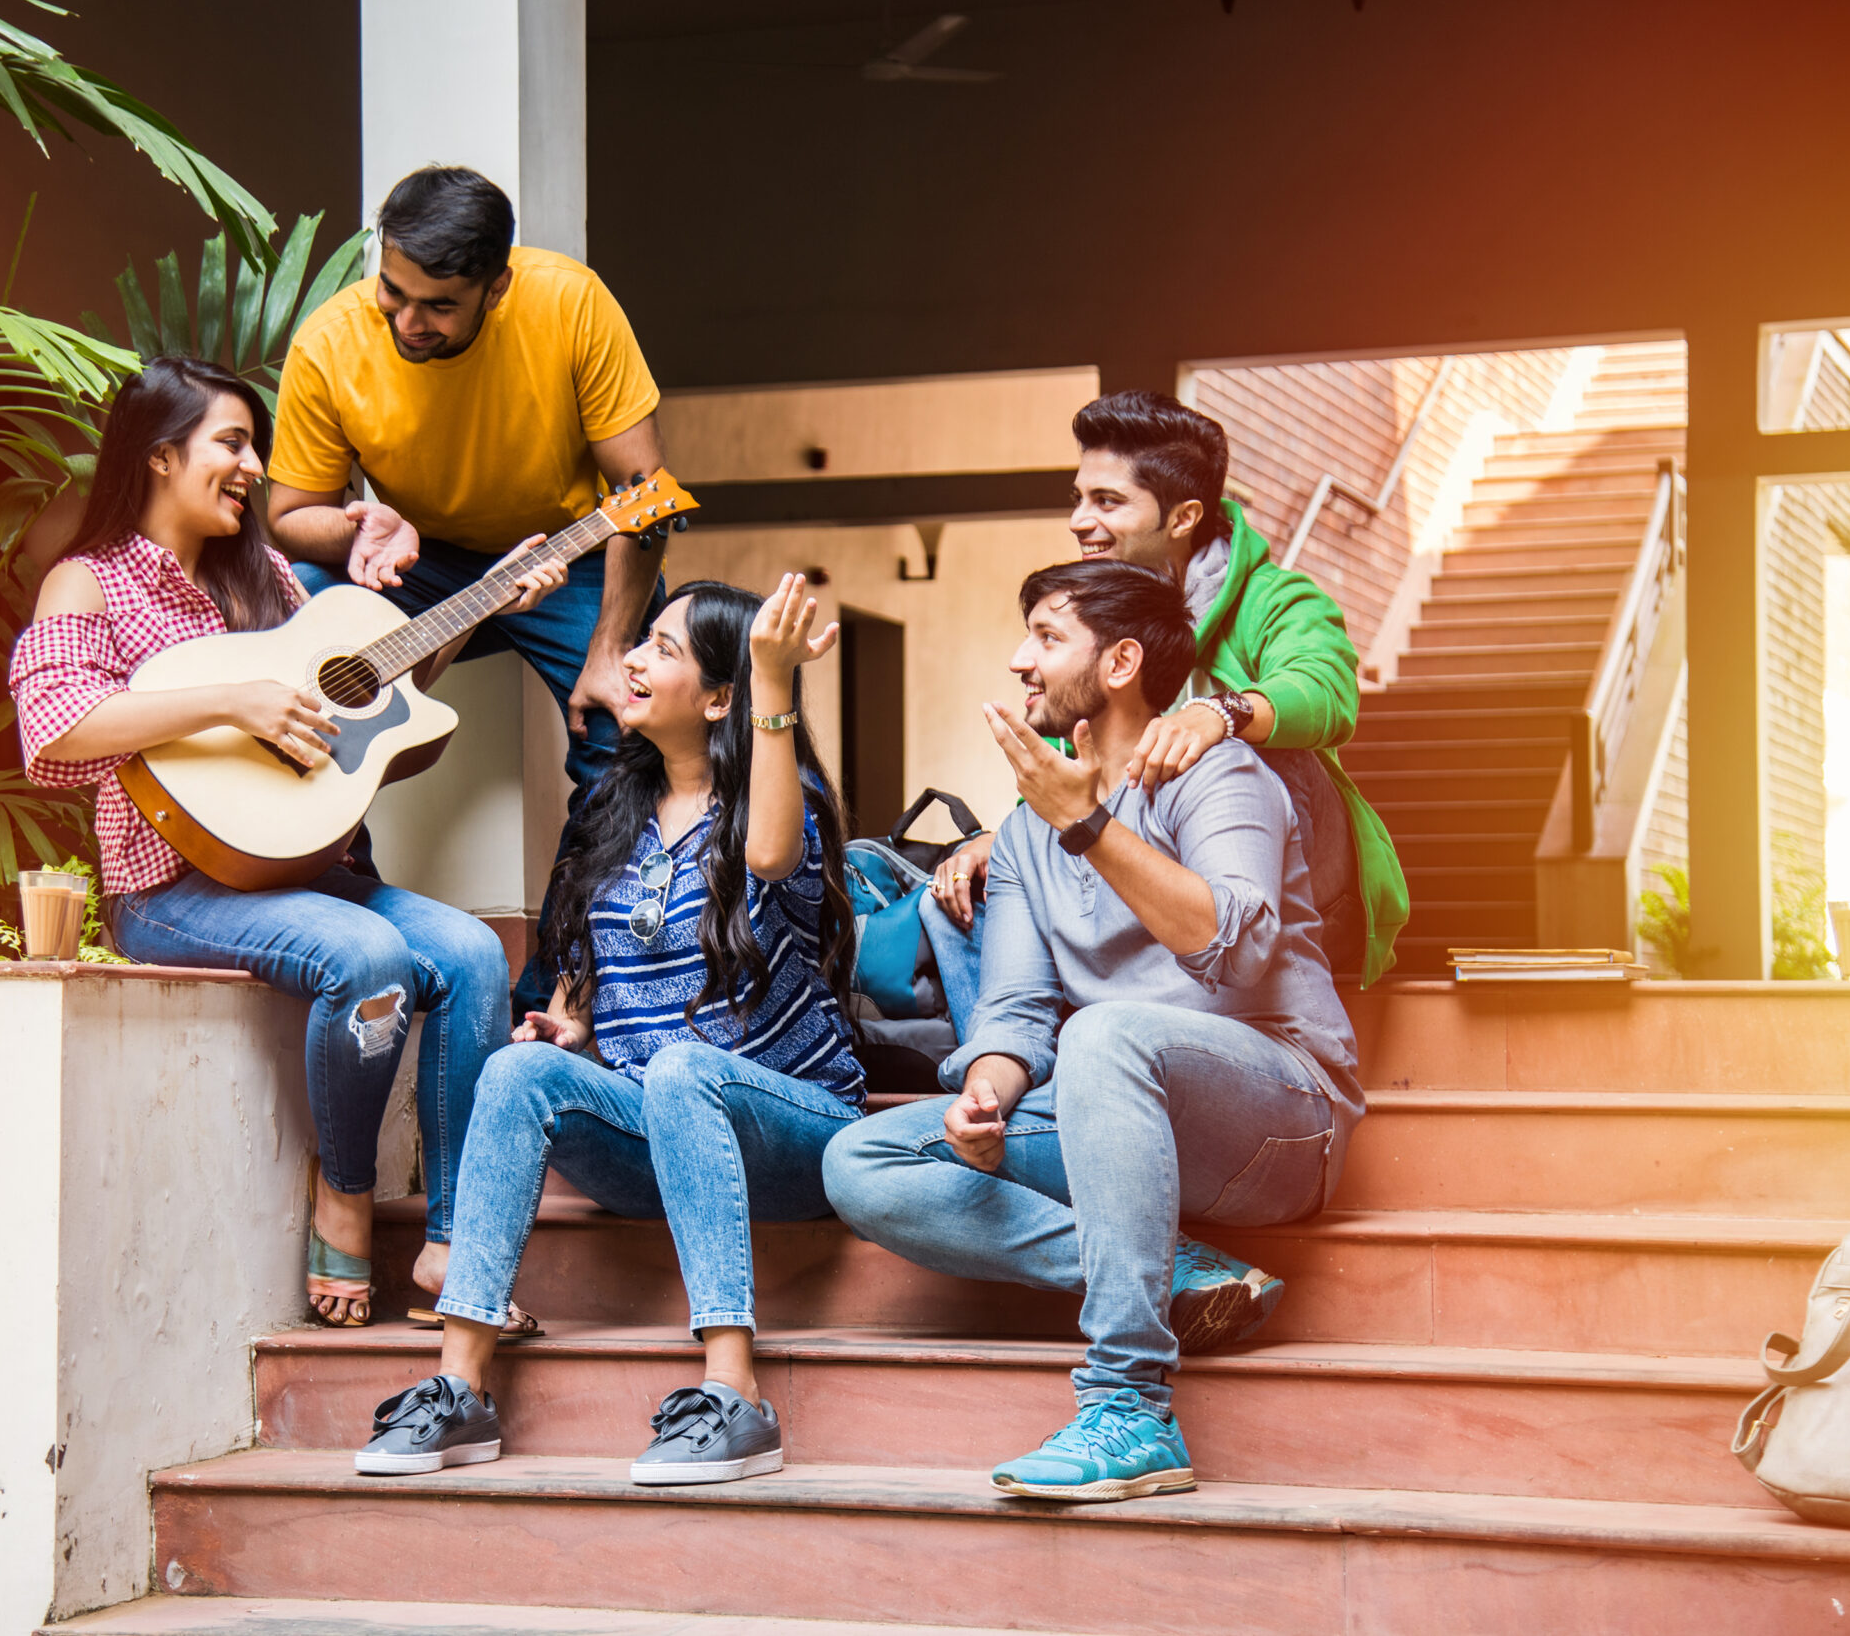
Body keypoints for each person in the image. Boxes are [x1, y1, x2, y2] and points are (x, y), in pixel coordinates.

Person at [9, 356, 567, 1331]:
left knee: (477, 953)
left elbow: (363, 695)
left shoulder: (261, 574)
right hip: (173, 887)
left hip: (311, 873)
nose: (255, 466)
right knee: (370, 956)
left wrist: (486, 600)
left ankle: (454, 1246)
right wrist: (231, 695)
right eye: (232, 442)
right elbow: (53, 730)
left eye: (253, 446)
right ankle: (344, 1192)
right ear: (158, 455)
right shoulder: (87, 583)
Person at [823, 560, 1364, 1504]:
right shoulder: (1031, 830)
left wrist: (1087, 824)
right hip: (1125, 1124)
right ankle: (1175, 1268)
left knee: (1105, 1035)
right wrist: (986, 1093)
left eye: (1046, 636)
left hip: (1282, 1113)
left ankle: (1131, 1403)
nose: (1019, 660)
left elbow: (1230, 949)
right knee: (863, 1160)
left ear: (1120, 661)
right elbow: (1020, 1011)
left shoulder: (1220, 774)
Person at [351, 578, 862, 1486]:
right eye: (643, 642)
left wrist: (774, 684)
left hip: (790, 1131)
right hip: (658, 1127)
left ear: (719, 698)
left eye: (663, 648)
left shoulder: (783, 801)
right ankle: (459, 1384)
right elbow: (601, 977)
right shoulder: (612, 814)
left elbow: (774, 856)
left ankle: (734, 1392)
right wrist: (572, 1027)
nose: (631, 657)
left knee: (680, 1072)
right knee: (517, 1072)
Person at [923, 391, 1406, 1024]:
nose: (1078, 520)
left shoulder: (1277, 598)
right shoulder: (1104, 615)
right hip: (1148, 882)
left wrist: (1219, 715)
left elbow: (1326, 692)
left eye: (1108, 501)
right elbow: (1089, 757)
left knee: (1265, 756)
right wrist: (1013, 836)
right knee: (960, 886)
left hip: (1282, 896)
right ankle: (1007, 1071)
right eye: (1079, 498)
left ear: (1182, 519)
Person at [266, 164, 668, 817]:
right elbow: (288, 516)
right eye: (394, 292)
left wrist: (611, 650)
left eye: (440, 304)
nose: (409, 321)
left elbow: (645, 494)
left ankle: (590, 914)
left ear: (497, 286)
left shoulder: (572, 303)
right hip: (422, 562)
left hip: (574, 554)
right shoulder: (329, 343)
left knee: (627, 728)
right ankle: (335, 865)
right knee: (298, 609)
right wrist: (360, 528)